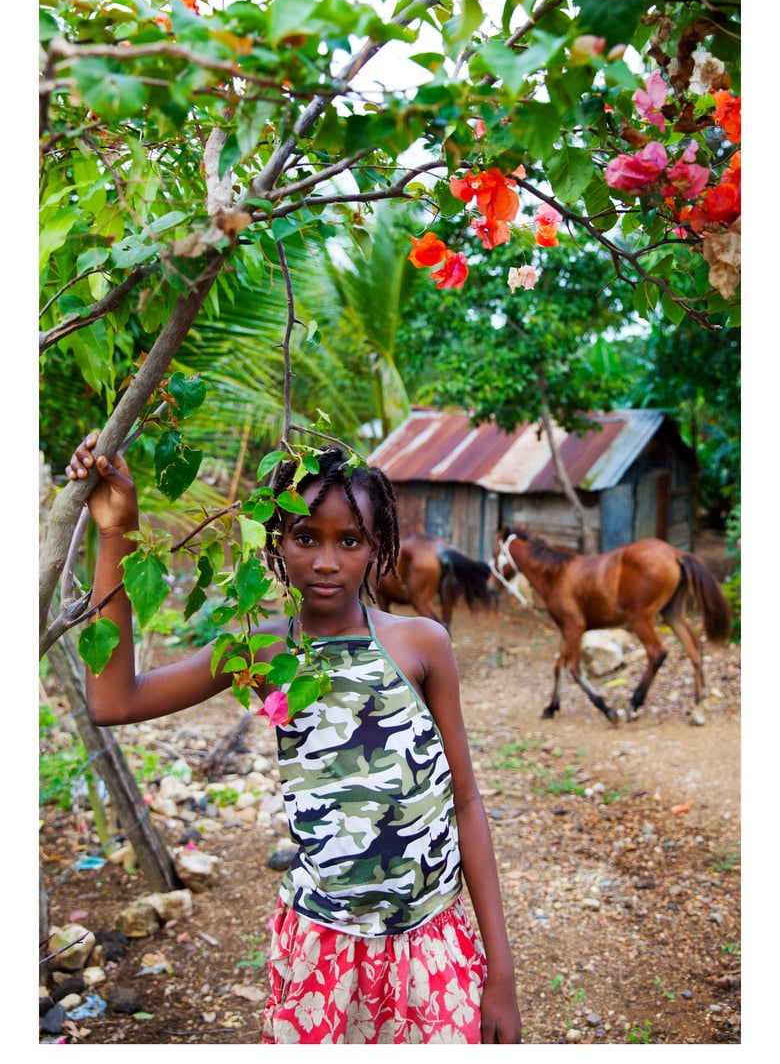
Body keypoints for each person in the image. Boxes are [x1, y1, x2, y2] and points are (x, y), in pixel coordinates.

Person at [65, 434, 523, 1045]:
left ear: (377, 548)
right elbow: (113, 701)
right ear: (275, 542)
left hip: (430, 942)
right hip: (322, 951)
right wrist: (118, 530)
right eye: (306, 538)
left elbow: (465, 800)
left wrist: (503, 973)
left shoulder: (420, 644)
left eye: (350, 541)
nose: (327, 561)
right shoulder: (261, 651)